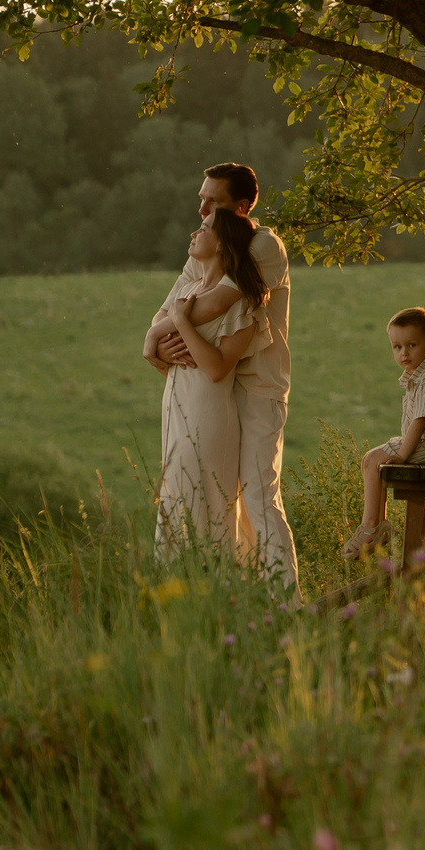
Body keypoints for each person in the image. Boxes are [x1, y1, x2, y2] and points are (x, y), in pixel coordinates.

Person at [145, 163, 300, 589]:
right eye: (202, 198)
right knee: (213, 495)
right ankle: (246, 594)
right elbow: (168, 307)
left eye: (212, 201)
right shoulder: (209, 250)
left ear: (242, 206)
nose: (202, 209)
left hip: (256, 385)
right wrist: (156, 335)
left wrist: (159, 335)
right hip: (220, 388)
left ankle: (286, 600)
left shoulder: (263, 245)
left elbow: (212, 306)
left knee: (257, 495)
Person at [150, 208, 270, 556]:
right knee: (174, 504)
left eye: (202, 229)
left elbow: (217, 369)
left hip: (208, 415)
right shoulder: (187, 289)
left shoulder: (240, 303)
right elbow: (173, 363)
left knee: (203, 509)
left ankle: (214, 593)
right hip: (177, 409)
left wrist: (181, 323)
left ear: (220, 243)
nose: (193, 233)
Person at [340, 307, 425, 560]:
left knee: (377, 459)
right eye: (397, 347)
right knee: (370, 459)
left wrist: (401, 455)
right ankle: (376, 525)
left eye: (411, 345)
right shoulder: (416, 377)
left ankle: (372, 528)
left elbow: (420, 422)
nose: (404, 352)